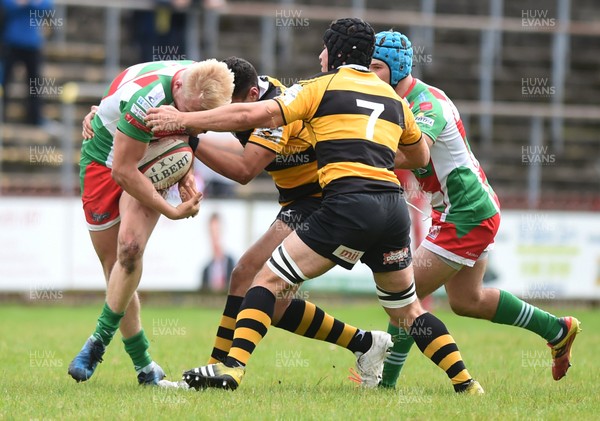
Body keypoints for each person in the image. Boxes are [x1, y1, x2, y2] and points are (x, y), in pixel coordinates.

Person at [146, 18, 483, 394]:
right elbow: (420, 153)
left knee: (265, 280)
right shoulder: (394, 99)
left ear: (336, 52)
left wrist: (184, 122)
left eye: (324, 48)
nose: (319, 55)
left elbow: (250, 120)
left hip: (340, 203)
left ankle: (231, 368)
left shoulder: (316, 88)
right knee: (407, 311)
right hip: (391, 207)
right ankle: (466, 384)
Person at [369, 30, 581, 388]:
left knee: (405, 291)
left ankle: (383, 382)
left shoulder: (424, 103)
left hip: (465, 212)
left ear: (396, 67)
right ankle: (556, 329)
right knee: (469, 300)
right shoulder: (400, 100)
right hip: (465, 209)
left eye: (375, 67)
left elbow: (417, 151)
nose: (369, 74)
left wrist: (360, 153)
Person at [185, 56, 397, 387]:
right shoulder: (250, 92)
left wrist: (192, 141)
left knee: (245, 274)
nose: (221, 117)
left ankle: (217, 367)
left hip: (320, 201)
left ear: (253, 96)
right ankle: (365, 343)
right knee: (276, 306)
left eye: (228, 109)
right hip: (299, 202)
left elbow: (244, 171)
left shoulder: (275, 113)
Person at [67, 59, 233, 386]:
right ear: (178, 89)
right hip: (106, 159)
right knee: (112, 262)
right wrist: (171, 211)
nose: (192, 127)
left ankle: (97, 342)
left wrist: (184, 168)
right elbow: (123, 171)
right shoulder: (149, 102)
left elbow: (126, 77)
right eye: (186, 114)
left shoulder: (202, 81)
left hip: (150, 153)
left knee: (129, 249)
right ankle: (146, 370)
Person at [1, 0, 53, 125]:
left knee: (34, 83)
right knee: (4, 81)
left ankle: (35, 118)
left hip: (32, 44)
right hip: (12, 42)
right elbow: (7, 5)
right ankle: (2, 115)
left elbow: (47, 6)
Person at [201, 212, 236, 292]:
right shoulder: (205, 270)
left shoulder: (233, 265)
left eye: (217, 231)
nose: (215, 237)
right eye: (212, 232)